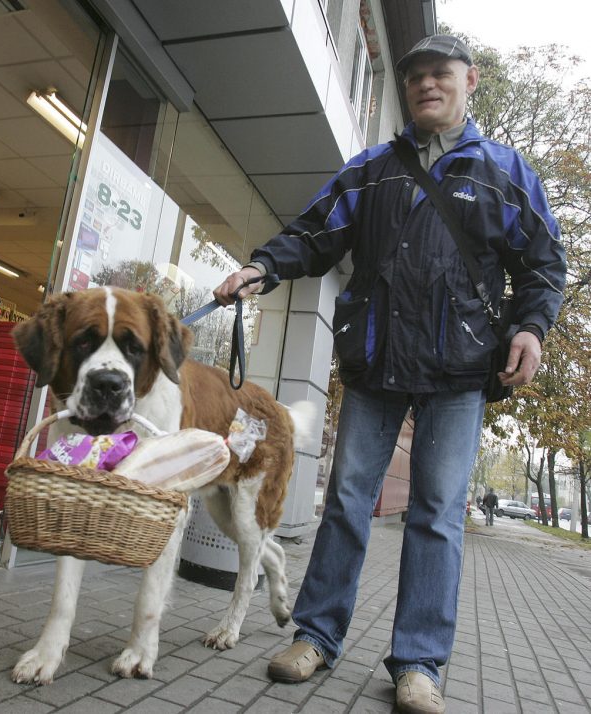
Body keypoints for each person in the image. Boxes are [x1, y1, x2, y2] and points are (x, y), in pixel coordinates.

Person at [213, 34, 566, 714]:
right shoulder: (372, 169)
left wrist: (530, 327)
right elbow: (315, 233)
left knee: (437, 515)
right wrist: (264, 266)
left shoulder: (506, 171)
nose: (426, 84)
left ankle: (419, 665)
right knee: (346, 501)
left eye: (440, 73)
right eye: (414, 77)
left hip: (461, 370)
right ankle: (316, 635)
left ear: (470, 80)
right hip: (375, 363)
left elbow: (544, 266)